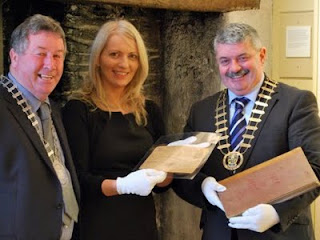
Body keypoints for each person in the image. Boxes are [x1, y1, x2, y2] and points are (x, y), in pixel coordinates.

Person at [172, 23, 320, 240]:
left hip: (278, 234)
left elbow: (315, 165)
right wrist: (203, 186)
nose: (234, 68)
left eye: (242, 57)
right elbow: (183, 173)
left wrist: (277, 212)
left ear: (261, 56)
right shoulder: (201, 110)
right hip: (219, 232)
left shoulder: (296, 102)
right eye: (225, 61)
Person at [62, 19, 171, 240]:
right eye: (114, 54)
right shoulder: (78, 110)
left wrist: (172, 170)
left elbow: (163, 184)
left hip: (142, 226)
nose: (124, 64)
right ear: (98, 60)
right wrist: (123, 185)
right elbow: (77, 181)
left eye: (132, 56)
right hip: (97, 226)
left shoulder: (149, 110)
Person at [0, 14, 79, 239]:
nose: (51, 65)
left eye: (57, 55)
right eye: (41, 54)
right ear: (14, 57)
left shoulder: (52, 108)